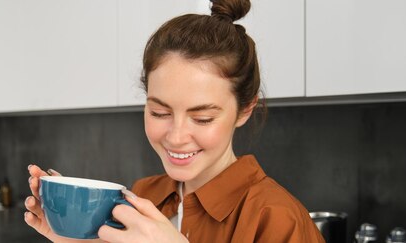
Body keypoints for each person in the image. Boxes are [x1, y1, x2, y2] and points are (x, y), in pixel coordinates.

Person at [24, 0, 325, 242]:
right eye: (160, 113)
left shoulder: (278, 219)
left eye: (203, 118)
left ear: (245, 110)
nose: (177, 136)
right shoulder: (142, 195)